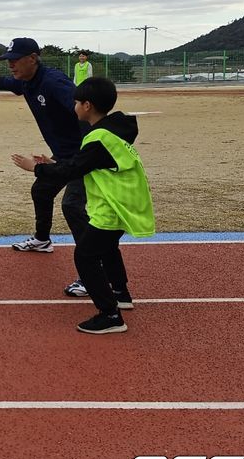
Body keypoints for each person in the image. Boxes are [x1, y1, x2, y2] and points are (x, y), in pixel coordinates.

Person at [12, 77, 154, 334]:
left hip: (112, 206)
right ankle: (121, 293)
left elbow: (75, 168)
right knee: (108, 249)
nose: (74, 106)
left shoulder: (98, 138)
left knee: (85, 255)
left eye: (76, 102)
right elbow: (83, 164)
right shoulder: (110, 131)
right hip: (120, 203)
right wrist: (53, 164)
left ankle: (111, 315)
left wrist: (36, 168)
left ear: (87, 106)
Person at [0, 37, 90, 296]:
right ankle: (42, 240)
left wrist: (88, 153)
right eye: (9, 60)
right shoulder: (26, 82)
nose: (11, 65)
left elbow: (82, 110)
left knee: (73, 207)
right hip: (63, 155)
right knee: (42, 191)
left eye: (16, 60)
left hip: (83, 155)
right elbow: (2, 83)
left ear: (33, 57)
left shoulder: (53, 81)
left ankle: (92, 274)